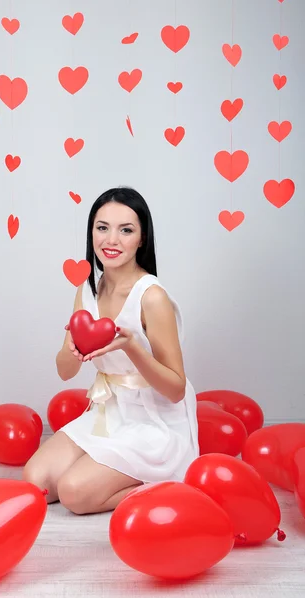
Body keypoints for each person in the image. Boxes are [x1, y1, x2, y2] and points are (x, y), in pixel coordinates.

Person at [23, 187, 199, 514]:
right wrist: (73, 348)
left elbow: (175, 389)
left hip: (154, 422)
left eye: (126, 230)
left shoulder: (152, 297)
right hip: (109, 413)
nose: (111, 240)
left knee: (74, 494)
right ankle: (105, 471)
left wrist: (132, 347)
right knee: (35, 482)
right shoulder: (86, 290)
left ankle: (169, 485)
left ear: (142, 239)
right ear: (91, 232)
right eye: (102, 227)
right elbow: (65, 371)